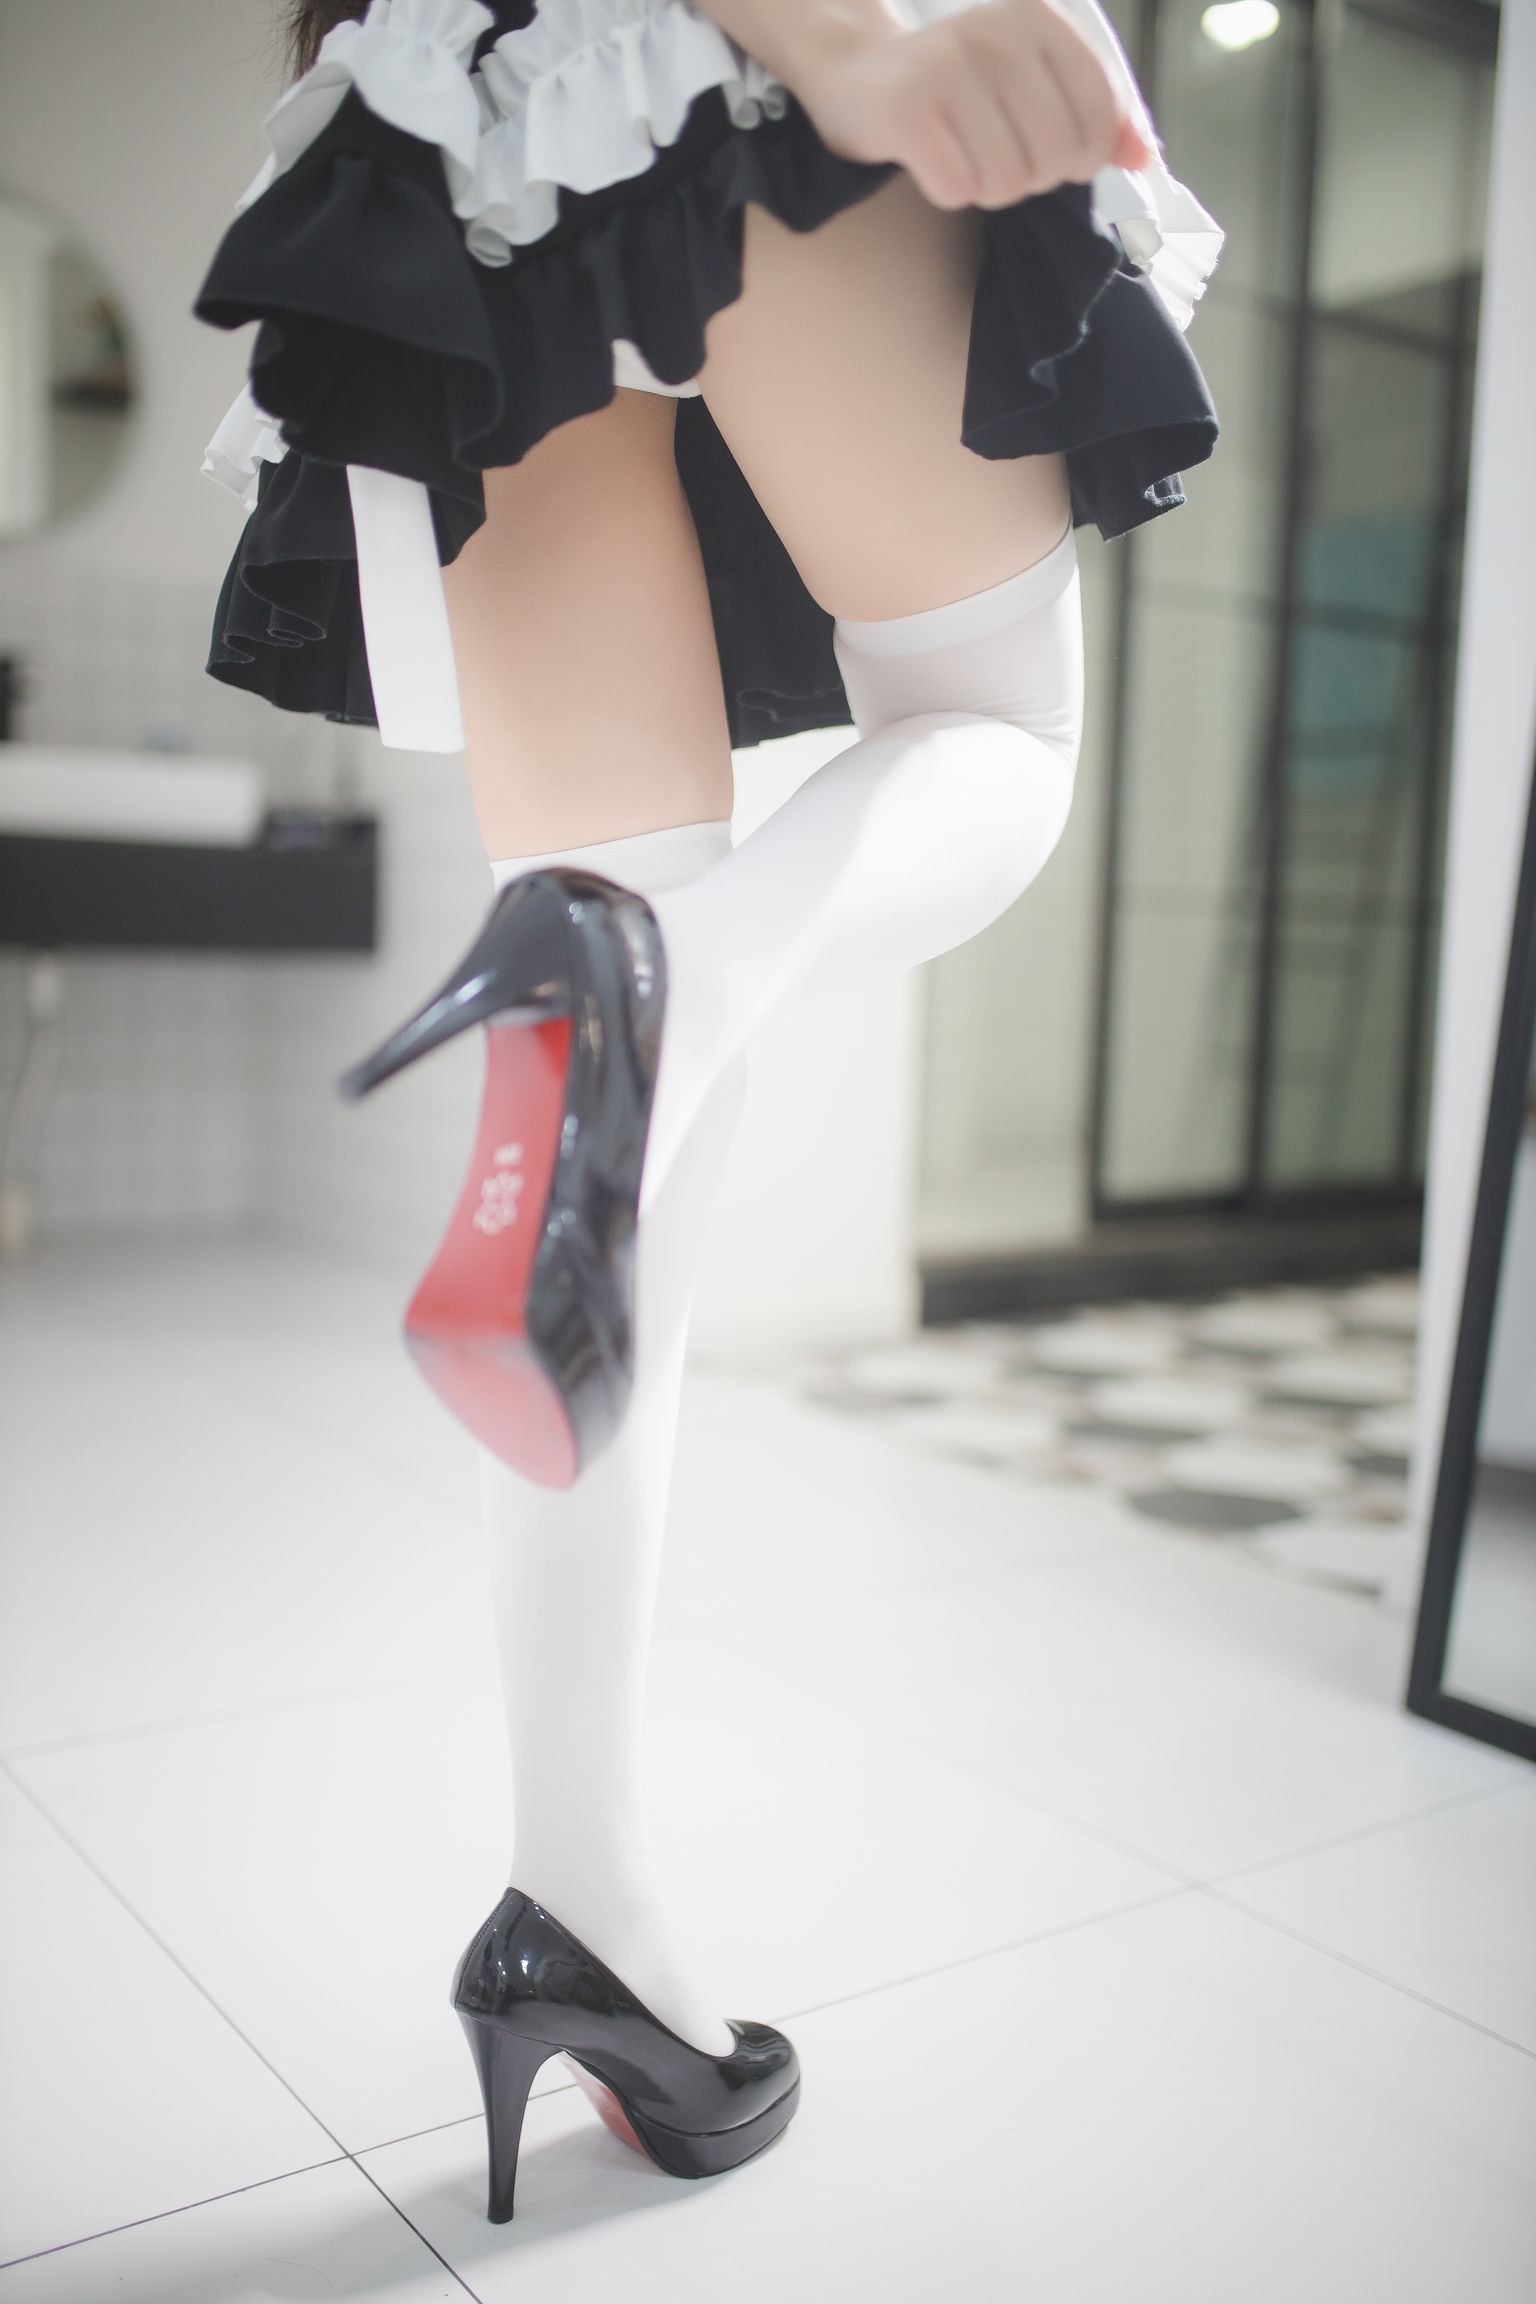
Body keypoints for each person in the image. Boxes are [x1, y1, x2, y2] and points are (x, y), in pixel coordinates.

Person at [193, 0, 1223, 2223]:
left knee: (620, 1124)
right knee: (995, 733)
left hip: (442, 117)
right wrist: (846, 39)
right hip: (725, 57)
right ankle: (663, 984)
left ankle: (581, 1898)